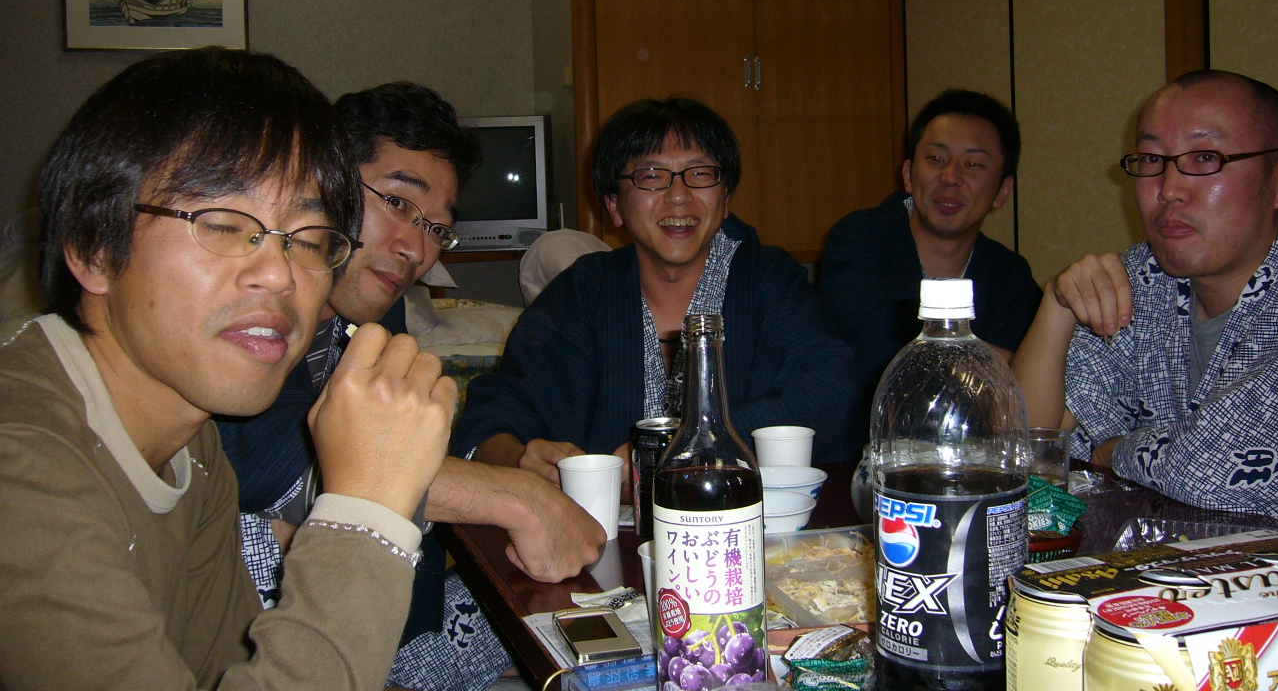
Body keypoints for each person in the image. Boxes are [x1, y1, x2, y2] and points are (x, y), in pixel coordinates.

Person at [0, 48, 456, 688]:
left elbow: (224, 668)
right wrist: (367, 514)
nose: (280, 274)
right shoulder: (21, 467)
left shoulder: (191, 448)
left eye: (307, 239)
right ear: (94, 246)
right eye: (221, 224)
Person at [218, 82, 604, 691]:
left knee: (597, 616)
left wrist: (513, 470)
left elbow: (400, 446)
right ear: (325, 182)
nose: (416, 250)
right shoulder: (256, 300)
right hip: (280, 639)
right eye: (398, 203)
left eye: (436, 229)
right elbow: (279, 464)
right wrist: (515, 498)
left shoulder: (368, 311)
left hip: (395, 628)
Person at [455, 96, 867, 476]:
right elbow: (496, 412)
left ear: (725, 199)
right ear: (614, 205)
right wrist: (521, 458)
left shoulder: (770, 279)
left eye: (700, 174)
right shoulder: (583, 291)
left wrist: (676, 451)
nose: (679, 196)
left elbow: (830, 394)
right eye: (651, 176)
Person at [1013, 70, 1278, 515]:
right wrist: (1057, 306)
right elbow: (1023, 445)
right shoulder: (1142, 280)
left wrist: (1114, 452)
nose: (1169, 190)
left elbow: (1222, 470)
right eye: (1153, 159)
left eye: (1205, 158)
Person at [819, 89, 1041, 395]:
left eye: (973, 164)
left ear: (1003, 191)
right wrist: (1007, 366)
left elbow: (1044, 378)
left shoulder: (1010, 275)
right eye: (936, 159)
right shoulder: (858, 240)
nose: (951, 177)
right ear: (908, 174)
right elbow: (880, 345)